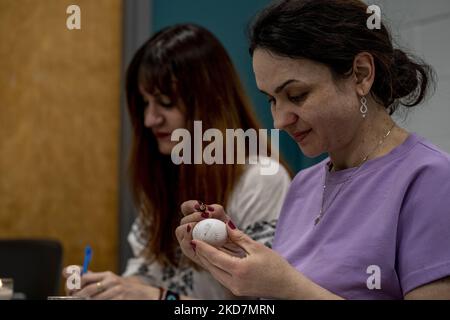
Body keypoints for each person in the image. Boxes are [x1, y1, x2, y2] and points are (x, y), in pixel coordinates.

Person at [176, 0, 450, 299]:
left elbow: (294, 289)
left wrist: (287, 287)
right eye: (272, 100)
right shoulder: (304, 185)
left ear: (360, 74)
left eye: (297, 94)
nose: (279, 121)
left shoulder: (431, 180)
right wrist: (235, 257)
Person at [63, 24, 291, 300]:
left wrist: (158, 297)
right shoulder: (166, 174)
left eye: (165, 102)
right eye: (145, 103)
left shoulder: (261, 179)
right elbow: (145, 276)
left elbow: (265, 304)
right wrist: (107, 290)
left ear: (210, 102)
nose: (150, 119)